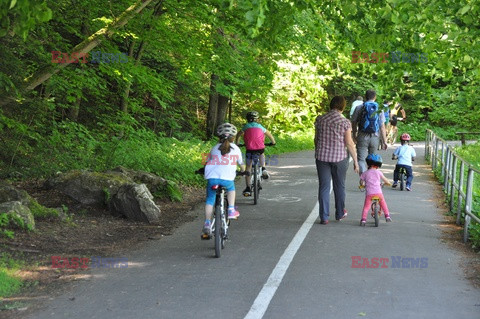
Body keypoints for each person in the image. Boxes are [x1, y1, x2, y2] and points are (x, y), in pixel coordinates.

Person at [314, 96, 359, 224]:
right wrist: (355, 161)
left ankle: (324, 217)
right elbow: (349, 143)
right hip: (339, 158)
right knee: (339, 186)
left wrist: (318, 151)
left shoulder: (320, 119)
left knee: (324, 186)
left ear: (331, 104)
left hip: (322, 157)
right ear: (343, 106)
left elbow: (316, 139)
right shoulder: (345, 122)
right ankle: (339, 213)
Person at [202, 123, 246, 237]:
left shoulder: (214, 148)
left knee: (210, 199)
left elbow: (207, 162)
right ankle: (231, 209)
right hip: (227, 179)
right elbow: (241, 164)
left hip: (212, 178)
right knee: (231, 188)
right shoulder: (236, 148)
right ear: (233, 137)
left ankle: (207, 223)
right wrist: (243, 171)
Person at [235, 111, 276, 196]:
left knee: (248, 167)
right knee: (262, 154)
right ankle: (263, 168)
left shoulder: (245, 127)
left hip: (249, 149)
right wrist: (273, 142)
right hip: (260, 148)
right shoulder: (260, 126)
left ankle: (248, 188)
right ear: (257, 119)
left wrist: (238, 143)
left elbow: (238, 135)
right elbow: (269, 135)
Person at [351, 89, 388, 175]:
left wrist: (354, 135)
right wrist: (384, 141)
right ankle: (371, 179)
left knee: (361, 159)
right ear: (375, 97)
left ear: (365, 97)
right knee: (373, 160)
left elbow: (354, 122)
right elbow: (382, 126)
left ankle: (363, 179)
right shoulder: (379, 109)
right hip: (375, 137)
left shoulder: (359, 107)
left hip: (362, 136)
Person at [359, 154, 392, 226]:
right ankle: (387, 216)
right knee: (383, 203)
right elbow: (386, 180)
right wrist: (388, 183)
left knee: (366, 207)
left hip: (369, 194)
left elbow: (361, 181)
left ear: (368, 164)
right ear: (378, 165)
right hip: (378, 193)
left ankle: (363, 220)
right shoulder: (379, 172)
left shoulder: (365, 173)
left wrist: (362, 185)